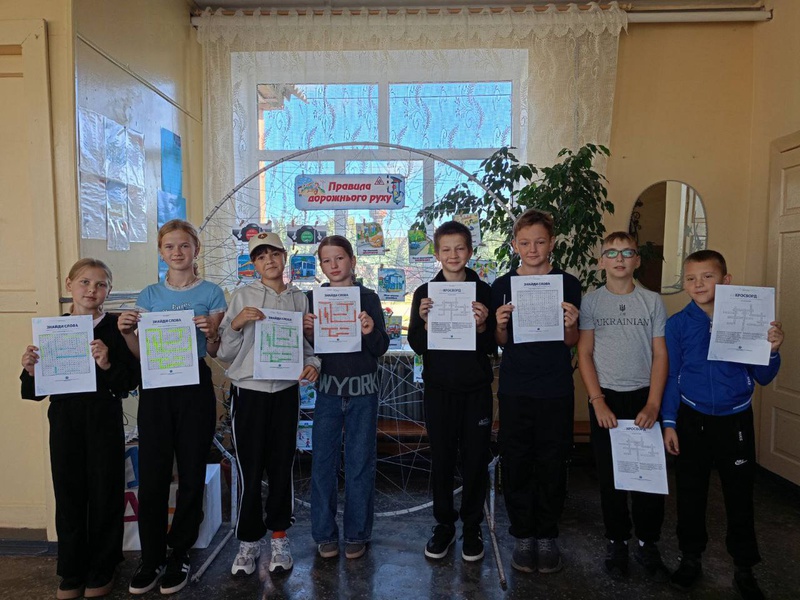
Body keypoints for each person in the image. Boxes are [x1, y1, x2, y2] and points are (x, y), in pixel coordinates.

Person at [661, 250, 783, 600]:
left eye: (707, 276)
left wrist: (772, 350)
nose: (698, 284)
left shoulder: (751, 319)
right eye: (690, 278)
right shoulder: (678, 324)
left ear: (726, 280)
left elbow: (763, 376)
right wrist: (669, 422)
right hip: (691, 418)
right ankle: (690, 558)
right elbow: (671, 375)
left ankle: (744, 568)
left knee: (739, 496)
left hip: (735, 420)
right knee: (690, 493)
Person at [117, 219, 227, 595]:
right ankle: (151, 557)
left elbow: (214, 351)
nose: (177, 252)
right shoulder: (149, 295)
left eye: (184, 245)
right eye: (169, 246)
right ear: (160, 251)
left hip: (193, 386)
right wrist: (127, 333)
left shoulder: (212, 292)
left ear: (196, 249)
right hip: (156, 387)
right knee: (153, 475)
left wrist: (212, 332)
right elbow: (140, 353)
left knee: (192, 473)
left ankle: (180, 552)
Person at [20, 259, 140, 600]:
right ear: (69, 285)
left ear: (109, 291)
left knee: (105, 491)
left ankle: (103, 565)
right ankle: (71, 569)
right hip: (65, 419)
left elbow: (129, 382)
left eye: (101, 284)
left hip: (103, 417)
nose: (92, 290)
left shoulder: (116, 328)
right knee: (69, 492)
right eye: (85, 282)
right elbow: (34, 392)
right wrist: (30, 369)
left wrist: (107, 363)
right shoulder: (54, 329)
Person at [217, 231, 320, 577]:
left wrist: (314, 364)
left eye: (274, 254)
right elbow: (224, 352)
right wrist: (236, 324)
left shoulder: (299, 299)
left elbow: (306, 348)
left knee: (281, 466)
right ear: (254, 264)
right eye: (261, 257)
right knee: (249, 468)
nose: (269, 261)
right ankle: (248, 541)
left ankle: (279, 537)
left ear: (284, 256)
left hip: (286, 393)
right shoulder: (242, 296)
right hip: (250, 392)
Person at [491, 208, 581, 574]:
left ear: (552, 243)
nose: (532, 249)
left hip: (555, 387)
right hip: (515, 388)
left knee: (552, 462)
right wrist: (500, 325)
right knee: (516, 462)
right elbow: (501, 343)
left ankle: (547, 535)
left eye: (540, 242)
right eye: (525, 242)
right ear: (514, 245)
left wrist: (571, 325)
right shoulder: (502, 285)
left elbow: (571, 341)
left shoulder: (568, 283)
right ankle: (523, 535)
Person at [576, 232, 670, 581]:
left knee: (648, 477)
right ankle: (617, 541)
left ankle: (648, 542)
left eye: (627, 252)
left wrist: (654, 403)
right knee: (611, 478)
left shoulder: (652, 301)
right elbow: (584, 353)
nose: (619, 259)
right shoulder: (591, 302)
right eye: (612, 253)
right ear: (601, 261)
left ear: (637, 260)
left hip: (645, 398)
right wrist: (597, 401)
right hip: (606, 400)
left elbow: (660, 354)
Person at [407, 221, 496, 562]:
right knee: (442, 460)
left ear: (470, 251)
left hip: (476, 391)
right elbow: (417, 344)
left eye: (460, 248)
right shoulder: (425, 293)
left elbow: (492, 347)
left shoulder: (483, 291)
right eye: (446, 249)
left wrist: (483, 325)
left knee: (475, 460)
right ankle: (444, 525)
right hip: (439, 390)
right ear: (437, 253)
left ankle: (472, 527)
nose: (453, 255)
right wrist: (425, 323)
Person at [302, 235, 389, 560]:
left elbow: (380, 348)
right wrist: (308, 332)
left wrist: (369, 330)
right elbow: (310, 350)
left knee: (360, 464)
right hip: (327, 393)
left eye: (339, 258)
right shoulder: (313, 299)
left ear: (352, 260)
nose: (334, 265)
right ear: (321, 266)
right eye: (326, 260)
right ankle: (324, 533)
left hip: (364, 394)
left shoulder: (368, 297)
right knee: (323, 464)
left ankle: (357, 534)